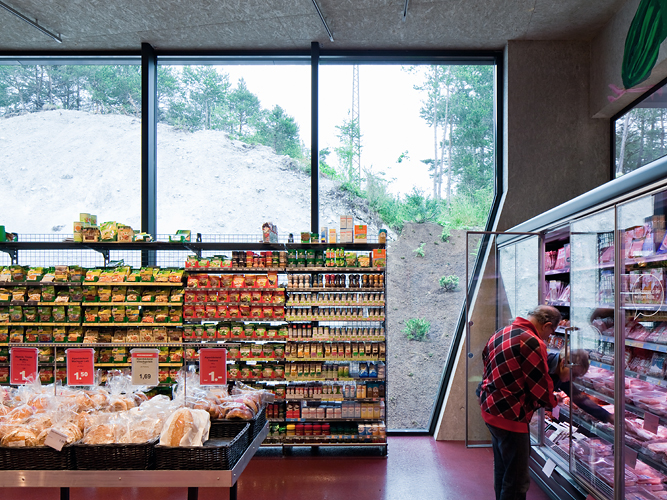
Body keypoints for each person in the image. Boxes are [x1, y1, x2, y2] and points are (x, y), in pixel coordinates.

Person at [478, 305, 561, 500]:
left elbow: (486, 363)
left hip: (490, 407)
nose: (549, 337)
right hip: (511, 415)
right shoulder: (532, 341)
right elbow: (539, 382)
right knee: (516, 480)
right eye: (551, 332)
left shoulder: (501, 332)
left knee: (503, 470)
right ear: (547, 325)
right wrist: (554, 402)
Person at [548, 348, 614, 424]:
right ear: (563, 363)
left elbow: (578, 398)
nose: (572, 379)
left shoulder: (560, 372)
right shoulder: (544, 364)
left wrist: (608, 416)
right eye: (573, 374)